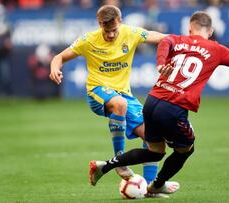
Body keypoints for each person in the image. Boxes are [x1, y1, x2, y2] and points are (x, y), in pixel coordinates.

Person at [89, 11, 229, 196]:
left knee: (156, 151)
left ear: (189, 28)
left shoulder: (177, 39)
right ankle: (157, 185)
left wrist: (160, 65)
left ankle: (106, 166)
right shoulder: (217, 49)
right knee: (186, 148)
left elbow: (164, 42)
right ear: (211, 31)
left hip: (152, 102)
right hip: (173, 107)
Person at [49, 5, 178, 197]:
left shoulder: (131, 33)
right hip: (97, 91)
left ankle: (151, 187)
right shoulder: (88, 40)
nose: (110, 35)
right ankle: (120, 162)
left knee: (153, 139)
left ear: (121, 22)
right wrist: (55, 68)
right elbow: (59, 57)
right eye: (106, 30)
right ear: (100, 25)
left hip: (124, 94)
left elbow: (162, 38)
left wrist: (184, 43)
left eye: (114, 30)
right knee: (120, 104)